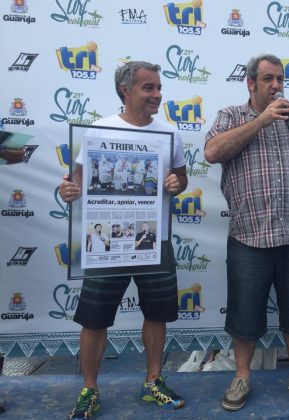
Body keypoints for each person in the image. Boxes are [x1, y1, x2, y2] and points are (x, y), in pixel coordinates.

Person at [204, 53, 289, 411]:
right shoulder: (230, 116)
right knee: (244, 314)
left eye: (280, 79)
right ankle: (242, 376)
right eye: (268, 79)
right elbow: (213, 152)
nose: (276, 85)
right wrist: (260, 120)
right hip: (249, 236)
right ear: (250, 83)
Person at [59, 61, 188, 419]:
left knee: (157, 314)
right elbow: (78, 179)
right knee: (95, 318)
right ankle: (89, 390)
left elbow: (181, 177)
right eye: (148, 88)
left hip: (153, 239)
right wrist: (69, 189)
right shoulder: (99, 129)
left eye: (159, 87)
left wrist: (178, 184)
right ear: (125, 90)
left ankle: (153, 381)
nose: (157, 95)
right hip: (106, 241)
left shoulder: (170, 133)